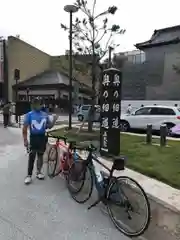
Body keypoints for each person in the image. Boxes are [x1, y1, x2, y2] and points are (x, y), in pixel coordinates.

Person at [22, 98, 57, 184]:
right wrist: (25, 140)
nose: (40, 105)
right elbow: (24, 128)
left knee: (40, 155)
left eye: (41, 104)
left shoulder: (45, 115)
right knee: (32, 156)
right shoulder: (29, 115)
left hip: (42, 137)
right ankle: (29, 175)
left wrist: (54, 120)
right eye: (38, 104)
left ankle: (39, 172)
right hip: (33, 137)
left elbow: (49, 126)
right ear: (33, 105)